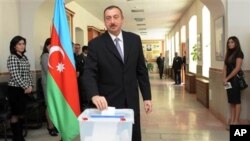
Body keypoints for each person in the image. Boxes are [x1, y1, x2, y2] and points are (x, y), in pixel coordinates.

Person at [81, 5, 152, 141]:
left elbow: (141, 71)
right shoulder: (96, 44)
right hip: (108, 104)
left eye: (115, 17)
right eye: (108, 18)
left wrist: (147, 97)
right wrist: (94, 95)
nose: (112, 21)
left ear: (122, 19)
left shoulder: (135, 40)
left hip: (131, 102)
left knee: (132, 136)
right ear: (105, 21)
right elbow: (89, 73)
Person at [7, 35, 34, 141]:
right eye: (19, 44)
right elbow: (15, 75)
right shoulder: (12, 57)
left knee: (22, 113)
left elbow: (28, 73)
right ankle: (17, 137)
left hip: (25, 89)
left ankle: (20, 136)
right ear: (14, 46)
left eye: (23, 44)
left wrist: (31, 85)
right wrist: (26, 86)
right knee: (15, 114)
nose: (22, 46)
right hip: (15, 90)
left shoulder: (24, 57)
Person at [223, 36, 244, 128]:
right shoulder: (228, 53)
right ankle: (232, 120)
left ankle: (236, 122)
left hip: (235, 80)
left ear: (236, 43)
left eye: (232, 42)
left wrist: (227, 78)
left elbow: (237, 68)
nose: (230, 44)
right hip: (227, 80)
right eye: (228, 42)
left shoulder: (239, 53)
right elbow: (225, 67)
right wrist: (224, 78)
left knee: (237, 101)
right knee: (231, 101)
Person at [40, 38, 58, 136]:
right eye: (50, 45)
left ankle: (54, 124)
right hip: (48, 84)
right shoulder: (45, 55)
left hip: (54, 85)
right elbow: (49, 70)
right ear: (47, 46)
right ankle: (50, 126)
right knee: (49, 105)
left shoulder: (54, 55)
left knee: (54, 105)